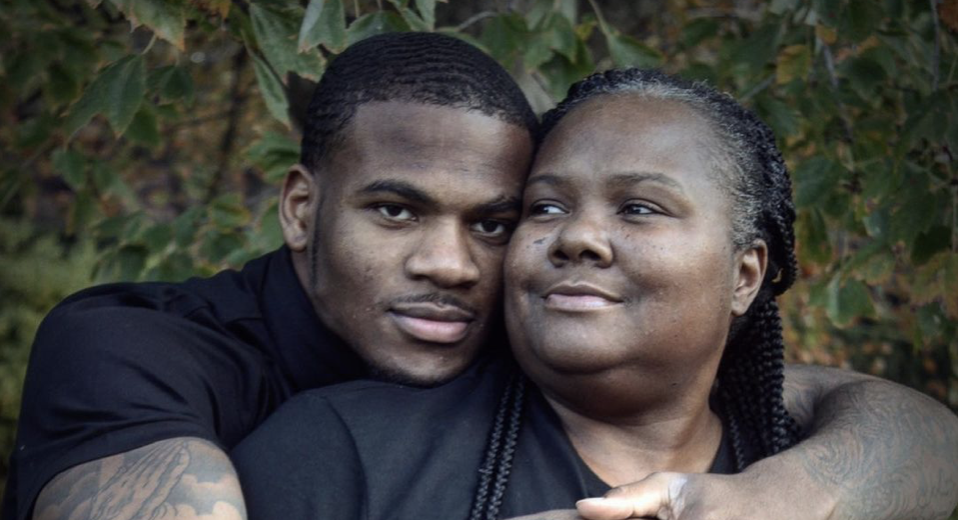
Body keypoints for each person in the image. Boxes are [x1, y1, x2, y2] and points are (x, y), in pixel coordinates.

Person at [4, 32, 956, 520]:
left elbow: (909, 427)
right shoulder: (138, 354)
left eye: (498, 221)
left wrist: (787, 497)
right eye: (395, 210)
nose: (450, 265)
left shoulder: (535, 332)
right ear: (300, 210)